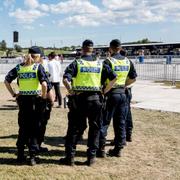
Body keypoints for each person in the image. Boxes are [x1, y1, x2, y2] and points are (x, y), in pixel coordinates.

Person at [60, 39, 117, 166]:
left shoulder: (77, 63)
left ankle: (70, 157)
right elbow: (114, 77)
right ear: (92, 49)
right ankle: (91, 157)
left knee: (74, 128)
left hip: (80, 100)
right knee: (95, 128)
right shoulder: (100, 64)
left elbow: (65, 80)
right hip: (96, 99)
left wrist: (71, 91)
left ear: (82, 49)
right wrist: (104, 91)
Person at [4, 46, 53, 166]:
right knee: (35, 129)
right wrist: (43, 95)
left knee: (23, 128)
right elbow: (45, 84)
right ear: (38, 57)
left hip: (23, 101)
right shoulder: (37, 67)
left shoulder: (19, 67)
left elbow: (6, 81)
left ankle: (20, 155)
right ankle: (32, 157)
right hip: (35, 101)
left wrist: (14, 94)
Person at [98, 39, 137, 158]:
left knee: (104, 121)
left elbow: (102, 78)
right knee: (120, 122)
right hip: (123, 93)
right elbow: (133, 78)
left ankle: (101, 148)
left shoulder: (108, 61)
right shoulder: (127, 61)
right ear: (120, 48)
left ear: (110, 48)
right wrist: (124, 85)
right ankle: (118, 149)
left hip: (111, 93)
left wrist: (104, 90)